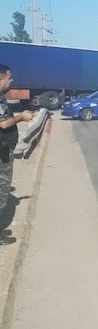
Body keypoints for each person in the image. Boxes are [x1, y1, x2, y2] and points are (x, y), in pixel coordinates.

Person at [0, 65, 33, 245]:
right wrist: (21, 117)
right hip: (2, 153)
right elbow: (3, 124)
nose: (12, 80)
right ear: (1, 79)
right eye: (9, 77)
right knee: (2, 192)